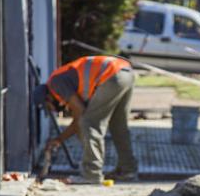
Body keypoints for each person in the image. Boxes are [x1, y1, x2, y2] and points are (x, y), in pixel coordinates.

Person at [33, 55, 138, 183]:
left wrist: (60, 139)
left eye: (48, 107)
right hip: (125, 73)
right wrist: (60, 140)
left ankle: (91, 173)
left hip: (111, 75)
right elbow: (79, 117)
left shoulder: (55, 83)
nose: (53, 110)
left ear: (47, 98)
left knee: (90, 123)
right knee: (118, 126)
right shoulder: (63, 79)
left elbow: (81, 115)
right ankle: (128, 170)